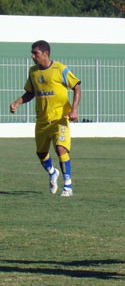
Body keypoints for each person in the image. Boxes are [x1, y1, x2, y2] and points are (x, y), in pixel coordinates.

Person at [10, 40, 81, 197]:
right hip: (42, 120)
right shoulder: (33, 72)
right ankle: (52, 172)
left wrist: (74, 109)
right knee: (41, 154)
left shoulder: (60, 69)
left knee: (60, 148)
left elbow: (77, 87)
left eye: (35, 53)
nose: (32, 56)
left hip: (60, 119)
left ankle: (67, 187)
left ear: (46, 53)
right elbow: (30, 93)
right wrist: (17, 102)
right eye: (32, 53)